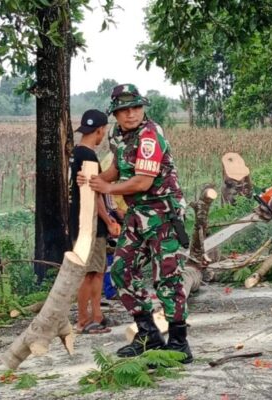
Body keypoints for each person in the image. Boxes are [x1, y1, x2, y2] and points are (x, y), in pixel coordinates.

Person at [79, 84, 192, 363]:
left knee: (166, 278)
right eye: (124, 110)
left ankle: (179, 342)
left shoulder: (150, 136)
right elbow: (117, 167)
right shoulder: (119, 135)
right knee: (120, 270)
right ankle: (148, 335)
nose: (131, 114)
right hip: (137, 213)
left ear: (143, 109)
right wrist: (97, 180)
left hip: (163, 214)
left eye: (136, 108)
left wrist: (107, 188)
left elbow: (143, 181)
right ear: (115, 114)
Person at [70, 109, 121, 334]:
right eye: (103, 131)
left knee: (93, 271)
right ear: (100, 130)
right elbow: (94, 194)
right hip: (89, 222)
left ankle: (94, 316)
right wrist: (108, 220)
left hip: (78, 220)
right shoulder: (89, 156)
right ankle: (86, 319)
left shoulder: (75, 154)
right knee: (93, 272)